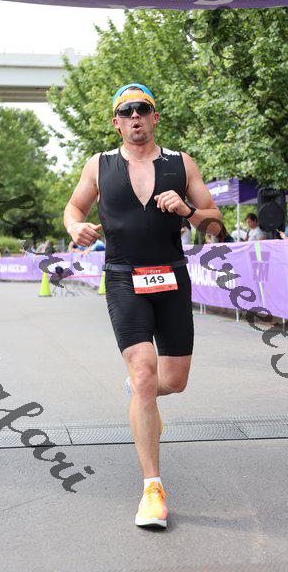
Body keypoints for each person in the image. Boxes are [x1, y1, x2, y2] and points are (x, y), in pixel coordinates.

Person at [63, 83, 221, 529]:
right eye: (127, 111)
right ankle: (152, 489)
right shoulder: (99, 165)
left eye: (143, 109)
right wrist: (75, 228)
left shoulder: (181, 163)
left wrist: (187, 210)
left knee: (173, 381)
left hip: (171, 277)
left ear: (155, 117)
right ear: (116, 122)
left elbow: (214, 224)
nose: (135, 116)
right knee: (145, 374)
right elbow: (73, 208)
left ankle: (142, 397)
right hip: (123, 278)